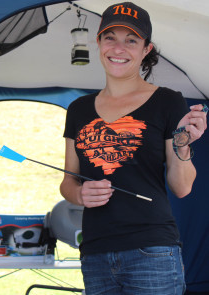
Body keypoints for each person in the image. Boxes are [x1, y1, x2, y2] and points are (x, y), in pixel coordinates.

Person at [60, 2, 207, 295]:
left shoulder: (169, 102)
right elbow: (68, 180)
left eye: (131, 40)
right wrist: (79, 193)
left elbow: (182, 188)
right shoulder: (78, 109)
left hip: (152, 251)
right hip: (95, 252)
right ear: (98, 43)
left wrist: (184, 144)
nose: (118, 48)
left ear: (146, 49)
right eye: (110, 37)